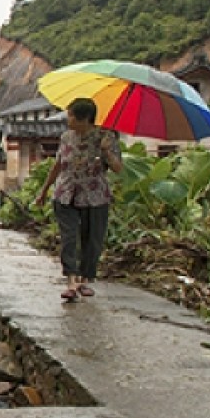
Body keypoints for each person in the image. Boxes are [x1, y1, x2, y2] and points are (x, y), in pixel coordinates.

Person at [35, 97, 123, 300]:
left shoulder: (106, 137)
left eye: (71, 116)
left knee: (92, 239)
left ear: (85, 118)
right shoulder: (66, 137)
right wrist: (44, 190)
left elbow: (118, 169)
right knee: (69, 237)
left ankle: (85, 281)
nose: (68, 120)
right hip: (65, 194)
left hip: (95, 196)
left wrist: (107, 151)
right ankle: (71, 281)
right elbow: (58, 164)